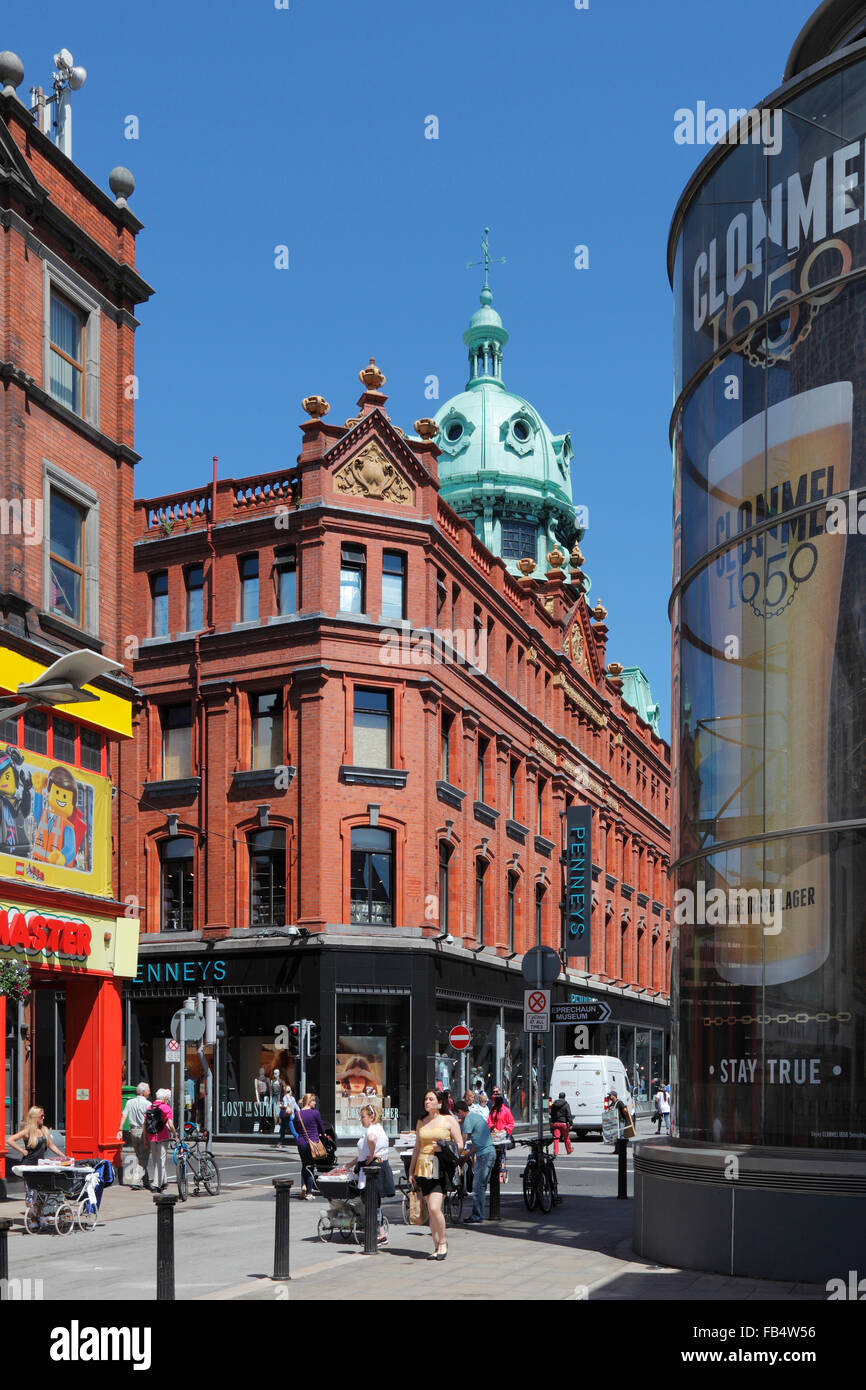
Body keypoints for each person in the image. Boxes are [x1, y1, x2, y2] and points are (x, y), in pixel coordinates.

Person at [408, 1089, 464, 1260]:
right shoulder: (421, 1121)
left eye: (431, 1099)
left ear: (439, 1102)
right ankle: (435, 1246)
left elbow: (460, 1144)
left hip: (440, 1167)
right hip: (423, 1168)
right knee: (431, 1211)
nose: (427, 1102)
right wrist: (411, 1170)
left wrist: (442, 1147)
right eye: (425, 1099)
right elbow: (417, 1146)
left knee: (434, 1207)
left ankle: (443, 1242)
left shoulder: (448, 1120)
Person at [8, 1106, 68, 1228]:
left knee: (41, 1193)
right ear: (35, 1117)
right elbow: (10, 1140)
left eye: (44, 1115)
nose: (44, 1118)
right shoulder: (28, 1131)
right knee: (31, 1195)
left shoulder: (44, 1130)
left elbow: (51, 1145)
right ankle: (33, 1218)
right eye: (42, 1116)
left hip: (39, 1166)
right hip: (29, 1166)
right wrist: (22, 1150)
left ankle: (39, 1217)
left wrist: (63, 1156)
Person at [355, 1103, 392, 1246]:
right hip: (380, 1165)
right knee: (374, 1202)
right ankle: (380, 1232)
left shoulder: (371, 1129)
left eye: (363, 1117)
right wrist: (353, 1163)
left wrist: (371, 1155)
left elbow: (371, 1139)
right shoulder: (379, 1128)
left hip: (372, 1168)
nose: (361, 1120)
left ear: (371, 1117)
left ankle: (379, 1233)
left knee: (371, 1202)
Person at [455, 1099, 495, 1224]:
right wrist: (467, 1156)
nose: (457, 1117)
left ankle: (478, 1216)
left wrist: (458, 1152)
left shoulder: (468, 1120)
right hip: (489, 1153)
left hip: (484, 1155)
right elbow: (476, 1144)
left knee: (477, 1186)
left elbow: (463, 1139)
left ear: (461, 1111)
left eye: (457, 1114)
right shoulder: (476, 1117)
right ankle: (478, 1214)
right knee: (480, 1186)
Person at [116, 1082, 152, 1189]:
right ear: (143, 1092)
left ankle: (145, 1181)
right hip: (143, 1131)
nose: (149, 1092)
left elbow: (124, 1116)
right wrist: (146, 1137)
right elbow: (147, 1122)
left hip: (133, 1132)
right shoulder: (148, 1104)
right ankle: (136, 1181)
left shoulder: (129, 1102)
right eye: (148, 1090)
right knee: (143, 1158)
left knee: (140, 1156)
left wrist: (120, 1129)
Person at [294, 1092, 327, 1199]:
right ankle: (309, 1192)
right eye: (313, 1101)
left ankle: (303, 1186)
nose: (315, 1103)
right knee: (310, 1167)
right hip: (313, 1144)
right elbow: (321, 1127)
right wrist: (323, 1134)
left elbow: (296, 1128)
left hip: (301, 1143)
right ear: (309, 1101)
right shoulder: (315, 1113)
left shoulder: (297, 1114)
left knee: (304, 1165)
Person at [145, 1088, 178, 1193]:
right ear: (164, 1098)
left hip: (151, 1136)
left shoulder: (150, 1107)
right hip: (163, 1136)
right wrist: (175, 1135)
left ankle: (163, 1181)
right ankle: (156, 1184)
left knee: (155, 1160)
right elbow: (170, 1124)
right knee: (161, 1160)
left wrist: (145, 1138)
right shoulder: (166, 1108)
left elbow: (145, 1124)